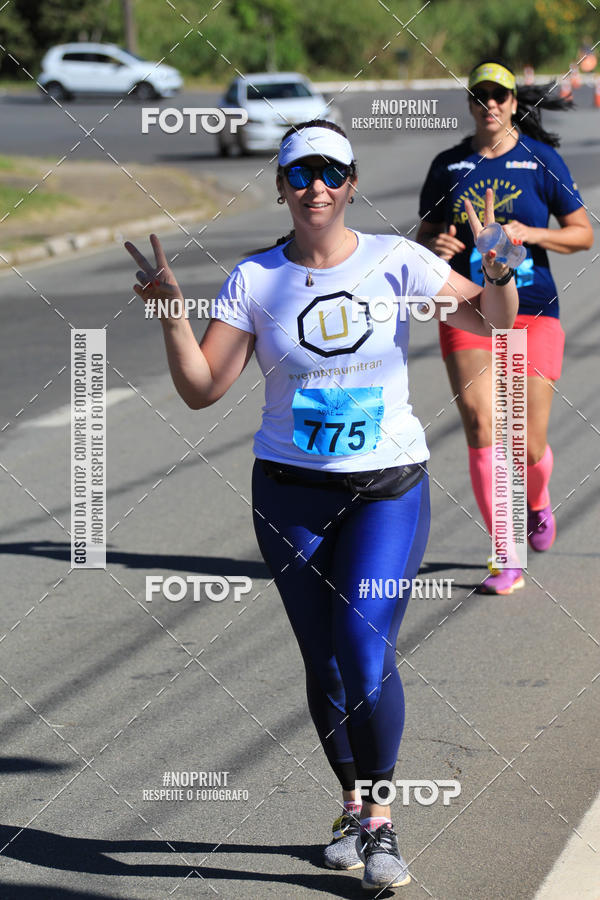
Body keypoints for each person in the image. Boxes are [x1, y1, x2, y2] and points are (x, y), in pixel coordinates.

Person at [125, 120, 517, 891]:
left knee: (364, 654)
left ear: (352, 182)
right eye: (300, 173)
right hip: (288, 496)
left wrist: (498, 268)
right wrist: (171, 312)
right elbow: (203, 389)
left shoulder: (394, 261)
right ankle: (350, 803)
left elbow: (493, 322)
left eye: (331, 173)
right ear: (279, 184)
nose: (316, 187)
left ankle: (381, 821)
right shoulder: (256, 279)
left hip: (386, 490)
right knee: (325, 664)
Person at [417, 59, 593, 595]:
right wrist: (436, 247)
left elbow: (582, 234)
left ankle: (537, 500)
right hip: (466, 307)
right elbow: (424, 235)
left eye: (500, 95)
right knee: (480, 422)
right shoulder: (448, 166)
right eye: (480, 95)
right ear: (470, 104)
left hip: (534, 309)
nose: (489, 104)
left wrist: (530, 233)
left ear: (515, 103)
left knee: (528, 443)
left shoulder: (542, 161)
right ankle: (504, 551)